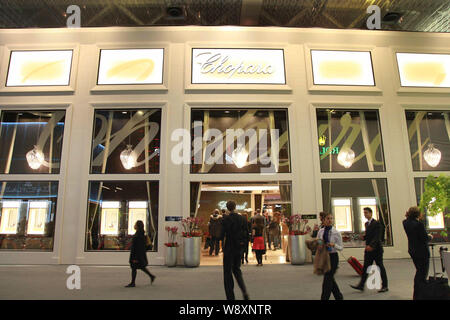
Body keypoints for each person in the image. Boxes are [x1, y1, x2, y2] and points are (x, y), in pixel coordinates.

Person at [350, 207, 389, 293]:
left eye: (366, 213)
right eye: (364, 213)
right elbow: (369, 236)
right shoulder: (367, 224)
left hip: (376, 249)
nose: (365, 214)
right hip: (368, 250)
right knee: (366, 267)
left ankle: (385, 286)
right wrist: (363, 237)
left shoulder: (377, 223)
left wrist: (371, 246)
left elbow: (377, 237)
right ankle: (361, 285)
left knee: (380, 267)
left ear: (371, 213)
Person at [220, 200, 249, 300]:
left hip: (229, 248)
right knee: (237, 270)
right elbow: (247, 233)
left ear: (227, 208)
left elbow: (221, 235)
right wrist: (244, 247)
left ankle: (230, 297)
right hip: (239, 248)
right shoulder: (242, 218)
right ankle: (244, 291)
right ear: (235, 207)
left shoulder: (225, 219)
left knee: (227, 273)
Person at [403, 206, 432, 300]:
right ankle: (418, 295)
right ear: (418, 214)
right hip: (422, 252)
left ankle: (417, 295)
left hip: (413, 250)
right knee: (422, 274)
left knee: (419, 272)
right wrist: (430, 236)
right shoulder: (419, 224)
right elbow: (424, 238)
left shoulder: (405, 222)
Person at [317, 213, 344, 300]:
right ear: (324, 220)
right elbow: (319, 241)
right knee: (330, 278)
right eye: (328, 219)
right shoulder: (320, 231)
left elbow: (341, 248)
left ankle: (324, 298)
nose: (330, 220)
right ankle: (338, 296)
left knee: (327, 278)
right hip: (324, 257)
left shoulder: (336, 233)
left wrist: (334, 245)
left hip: (333, 257)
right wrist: (320, 245)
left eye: (331, 218)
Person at [125, 220, 156, 287]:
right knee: (141, 267)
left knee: (134, 268)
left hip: (136, 255)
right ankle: (151, 276)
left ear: (138, 226)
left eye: (135, 224)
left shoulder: (138, 235)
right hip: (140, 255)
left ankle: (133, 282)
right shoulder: (141, 234)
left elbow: (137, 247)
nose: (134, 225)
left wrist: (135, 258)